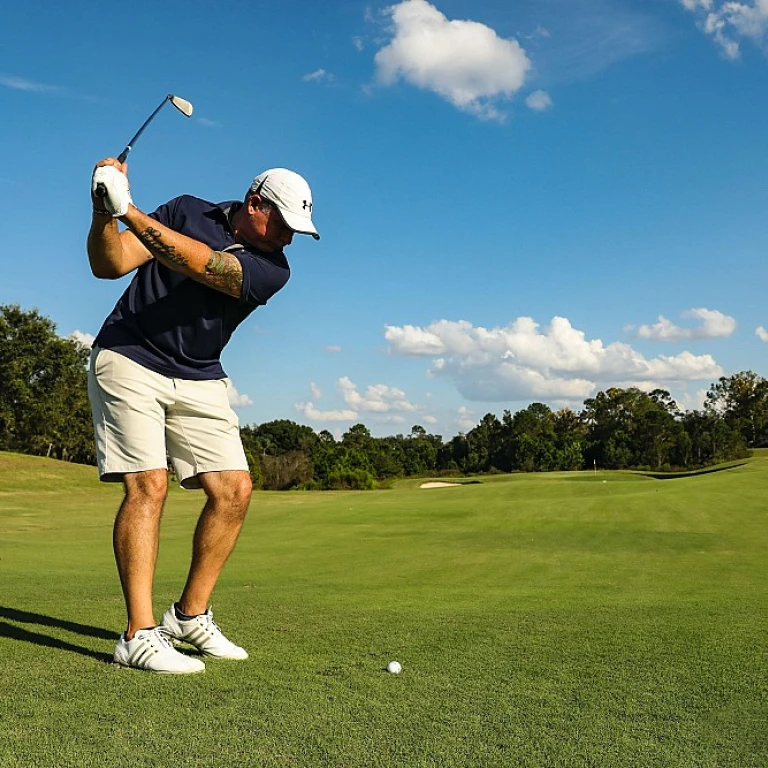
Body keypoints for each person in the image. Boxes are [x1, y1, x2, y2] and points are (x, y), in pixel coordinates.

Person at [86, 158, 319, 674]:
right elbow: (110, 265)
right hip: (128, 355)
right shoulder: (186, 210)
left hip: (199, 374)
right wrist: (105, 212)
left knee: (234, 489)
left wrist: (130, 210)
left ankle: (189, 616)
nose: (287, 238)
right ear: (254, 204)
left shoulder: (273, 269)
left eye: (296, 230)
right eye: (281, 224)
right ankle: (139, 635)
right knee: (148, 485)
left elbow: (205, 266)